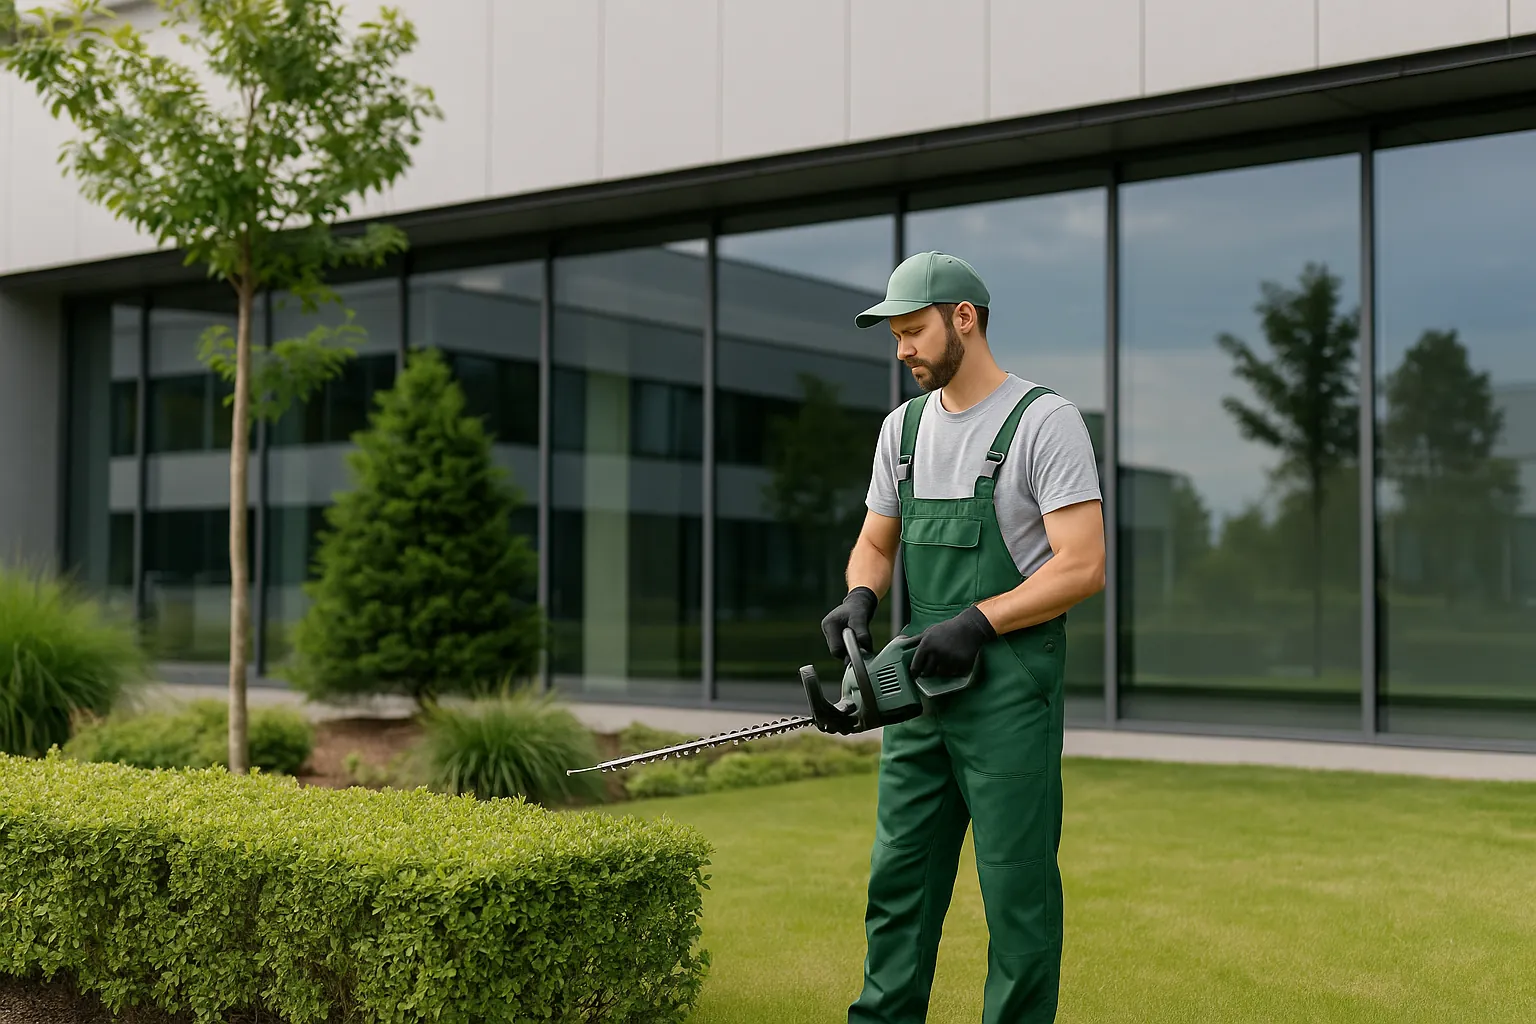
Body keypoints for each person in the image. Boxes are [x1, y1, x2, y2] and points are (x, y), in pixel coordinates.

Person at [825, 251, 1106, 1024]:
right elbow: (877, 543)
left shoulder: (1043, 423)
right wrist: (859, 597)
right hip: (922, 689)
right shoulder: (903, 430)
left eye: (913, 331)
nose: (903, 349)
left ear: (964, 319)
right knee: (898, 883)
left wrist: (979, 621)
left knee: (1016, 893)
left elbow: (1082, 567)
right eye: (895, 337)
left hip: (1009, 691)